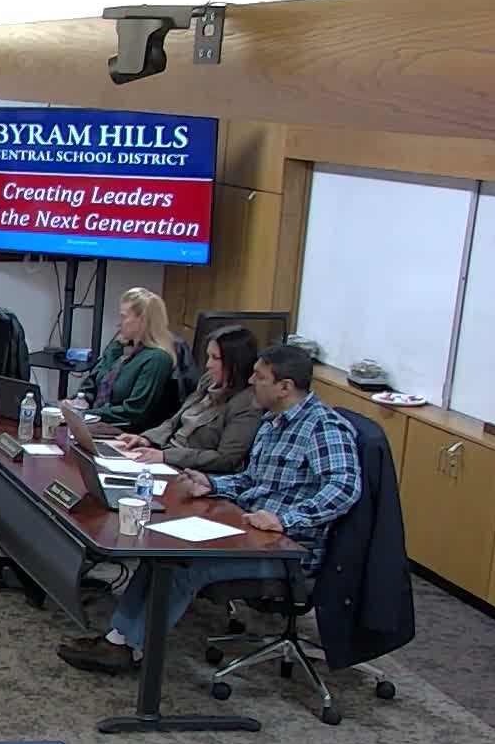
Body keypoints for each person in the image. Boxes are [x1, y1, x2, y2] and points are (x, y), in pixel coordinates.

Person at [57, 345, 361, 675]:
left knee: (185, 565)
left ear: (285, 387)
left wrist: (284, 520)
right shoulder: (273, 423)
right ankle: (119, 638)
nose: (250, 382)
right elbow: (251, 480)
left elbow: (344, 488)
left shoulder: (323, 428)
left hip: (287, 551)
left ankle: (129, 648)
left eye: (259, 377)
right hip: (249, 531)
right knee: (161, 551)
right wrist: (212, 485)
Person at [115, 325, 262, 473]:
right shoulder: (208, 381)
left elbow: (226, 459)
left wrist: (166, 456)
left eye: (215, 358)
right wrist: (147, 439)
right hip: (164, 455)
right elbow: (175, 421)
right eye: (208, 356)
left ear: (236, 362)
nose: (208, 365)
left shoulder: (247, 404)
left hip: (190, 469)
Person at [74, 287, 179, 430]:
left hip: (125, 432)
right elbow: (92, 382)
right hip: (94, 421)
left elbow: (134, 412)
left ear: (142, 320)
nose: (119, 323)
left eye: (123, 317)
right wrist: (79, 402)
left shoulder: (157, 359)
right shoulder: (118, 348)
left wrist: (87, 414)